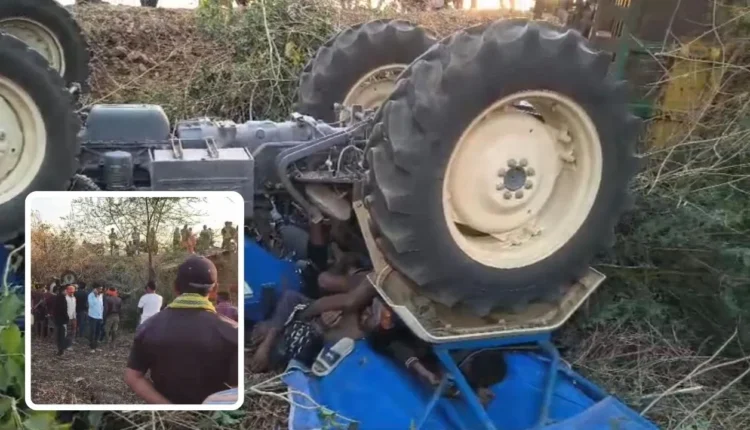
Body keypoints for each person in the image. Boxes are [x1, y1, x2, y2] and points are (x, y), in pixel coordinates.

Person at [124, 255, 238, 404]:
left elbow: (133, 377)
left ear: (175, 287)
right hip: (215, 415)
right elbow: (236, 389)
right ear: (215, 289)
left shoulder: (148, 327)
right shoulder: (232, 332)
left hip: (165, 417)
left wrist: (169, 408)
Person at [53, 285, 76, 356]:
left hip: (62, 319)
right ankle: (62, 348)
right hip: (63, 319)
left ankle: (62, 348)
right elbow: (63, 309)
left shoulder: (59, 297)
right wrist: (67, 317)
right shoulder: (63, 298)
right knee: (63, 334)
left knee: (63, 334)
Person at [87, 283, 105, 352]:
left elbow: (101, 306)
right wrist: (96, 296)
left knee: (98, 332)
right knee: (93, 331)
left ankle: (96, 346)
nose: (100, 290)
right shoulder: (90, 295)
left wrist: (101, 316)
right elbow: (91, 304)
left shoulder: (101, 296)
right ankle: (92, 347)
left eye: (101, 289)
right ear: (95, 289)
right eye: (99, 289)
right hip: (92, 316)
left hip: (99, 316)